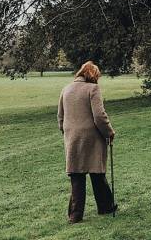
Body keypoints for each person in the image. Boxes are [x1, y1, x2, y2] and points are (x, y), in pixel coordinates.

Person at [58, 61, 117, 223]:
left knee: (76, 176)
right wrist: (109, 132)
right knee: (97, 172)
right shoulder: (93, 89)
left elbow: (60, 117)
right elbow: (99, 116)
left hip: (72, 137)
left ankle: (75, 215)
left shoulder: (66, 89)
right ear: (92, 75)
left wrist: (67, 132)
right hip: (92, 137)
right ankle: (105, 206)